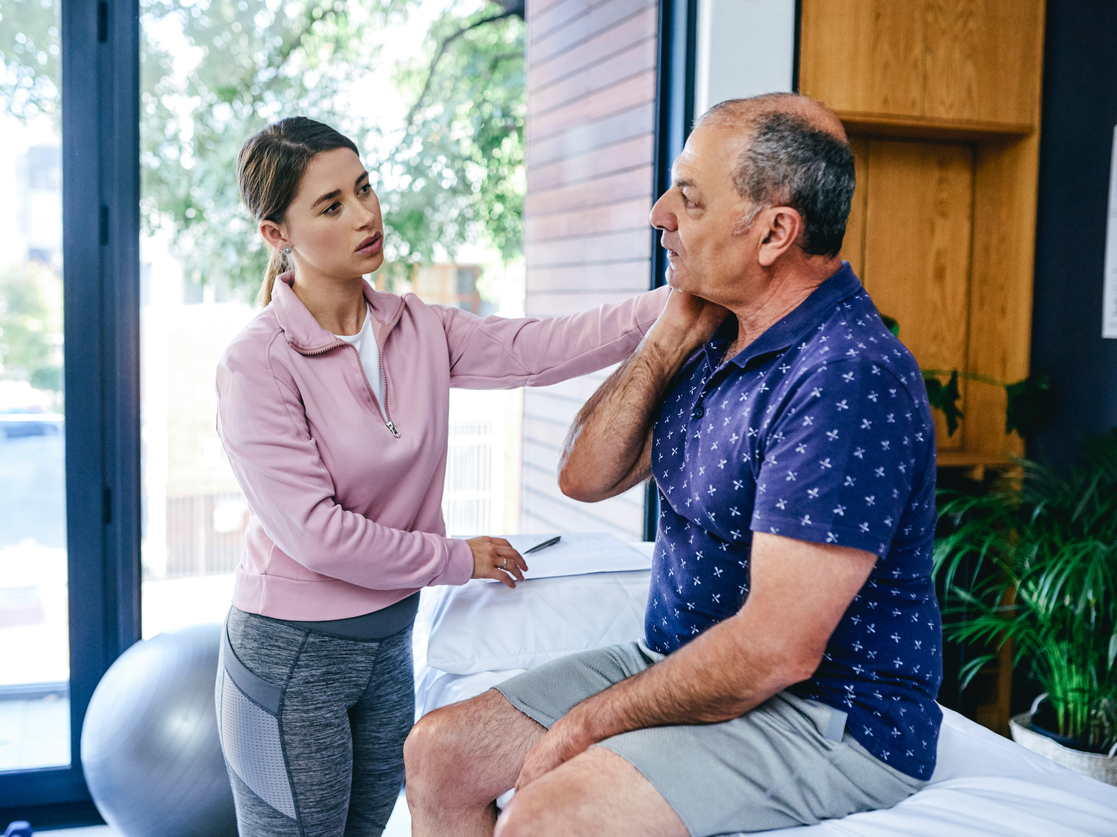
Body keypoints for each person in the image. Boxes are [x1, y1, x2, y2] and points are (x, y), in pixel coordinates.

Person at [404, 93, 943, 837]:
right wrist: (665, 340)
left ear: (773, 232)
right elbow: (584, 477)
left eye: (687, 197)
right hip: (681, 663)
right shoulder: (715, 329)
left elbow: (775, 649)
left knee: (547, 815)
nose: (660, 213)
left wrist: (584, 725)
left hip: (827, 714)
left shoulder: (845, 375)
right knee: (440, 752)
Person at [212, 116, 668, 837]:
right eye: (331, 206)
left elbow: (537, 348)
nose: (365, 215)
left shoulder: (415, 328)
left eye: (364, 189)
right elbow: (319, 535)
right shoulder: (257, 362)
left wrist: (675, 306)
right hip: (291, 658)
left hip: (387, 644)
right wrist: (456, 558)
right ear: (277, 235)